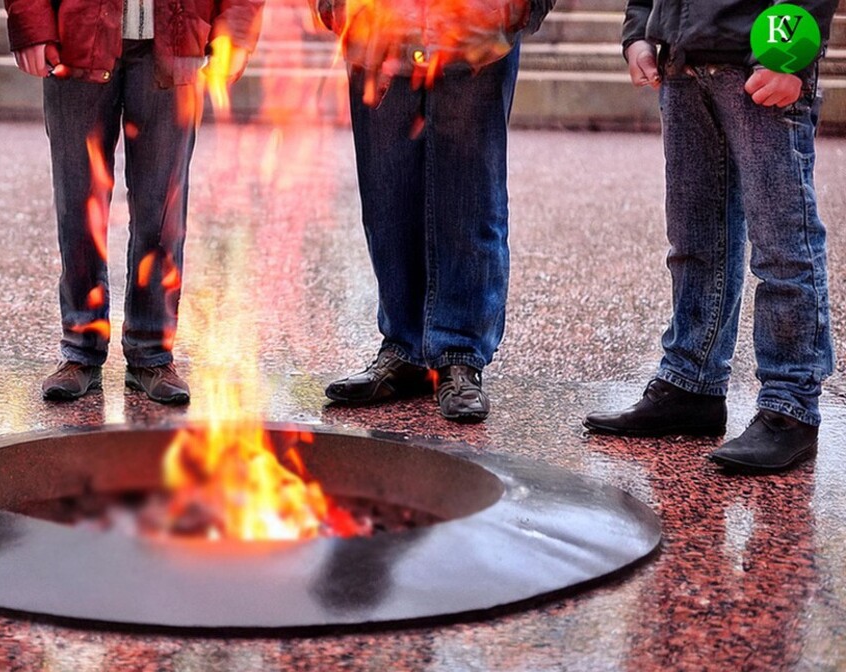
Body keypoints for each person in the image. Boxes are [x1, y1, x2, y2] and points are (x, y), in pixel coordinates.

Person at [584, 0, 835, 472]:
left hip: (760, 56)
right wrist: (639, 29)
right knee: (694, 242)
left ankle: (790, 406)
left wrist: (791, 56)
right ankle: (691, 383)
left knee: (783, 245)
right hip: (680, 58)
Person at [5, 0, 264, 404]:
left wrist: (237, 27)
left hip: (177, 37)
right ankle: (80, 347)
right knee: (78, 203)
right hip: (78, 34)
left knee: (162, 211)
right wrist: (31, 22)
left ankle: (151, 351)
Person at [318, 0, 554, 422]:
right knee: (386, 197)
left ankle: (460, 352)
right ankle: (404, 347)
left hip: (476, 26)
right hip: (377, 25)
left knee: (471, 198)